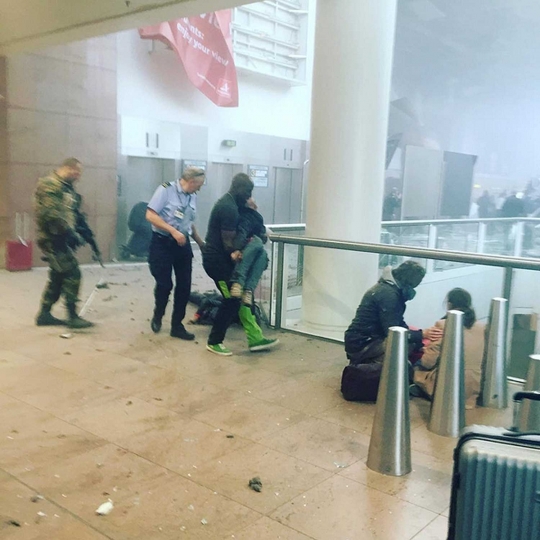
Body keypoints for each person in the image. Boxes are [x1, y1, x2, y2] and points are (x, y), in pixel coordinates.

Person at [203, 173, 279, 356]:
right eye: (247, 193)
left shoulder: (234, 204)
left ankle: (255, 338)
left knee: (241, 299)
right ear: (238, 189)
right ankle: (214, 341)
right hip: (217, 263)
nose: (248, 197)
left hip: (225, 261)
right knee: (231, 301)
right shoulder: (228, 207)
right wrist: (235, 253)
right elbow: (228, 241)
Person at [34, 157, 99, 329]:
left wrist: (86, 234)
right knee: (72, 273)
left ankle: (44, 314)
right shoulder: (49, 185)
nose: (78, 176)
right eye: (77, 172)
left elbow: (74, 214)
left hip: (61, 237)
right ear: (68, 168)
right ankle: (72, 316)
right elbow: (52, 215)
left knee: (57, 276)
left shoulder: (67, 188)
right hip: (51, 239)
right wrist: (71, 234)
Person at [146, 166, 206, 340]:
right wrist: (172, 230)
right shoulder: (166, 190)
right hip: (162, 243)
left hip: (182, 244)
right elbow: (150, 215)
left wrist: (200, 242)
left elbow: (188, 222)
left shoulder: (192, 196)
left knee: (184, 286)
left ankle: (177, 326)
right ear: (192, 181)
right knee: (165, 285)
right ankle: (158, 315)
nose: (200, 188)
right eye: (200, 184)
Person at [344, 260, 442, 365]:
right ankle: (371, 364)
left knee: (411, 342)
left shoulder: (388, 288)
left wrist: (419, 344)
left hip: (360, 339)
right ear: (408, 282)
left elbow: (398, 321)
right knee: (403, 348)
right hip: (363, 343)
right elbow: (393, 332)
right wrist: (422, 334)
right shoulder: (389, 295)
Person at [413, 288, 485, 409]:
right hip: (474, 386)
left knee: (415, 366)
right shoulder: (482, 327)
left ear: (449, 304)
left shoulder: (442, 325)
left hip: (449, 385)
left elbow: (428, 361)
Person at [229, 197, 269, 306]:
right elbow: (242, 233)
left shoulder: (257, 218)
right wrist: (238, 248)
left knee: (263, 254)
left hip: (252, 248)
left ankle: (246, 289)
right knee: (258, 243)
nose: (255, 206)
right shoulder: (240, 216)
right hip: (242, 247)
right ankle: (240, 283)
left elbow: (262, 235)